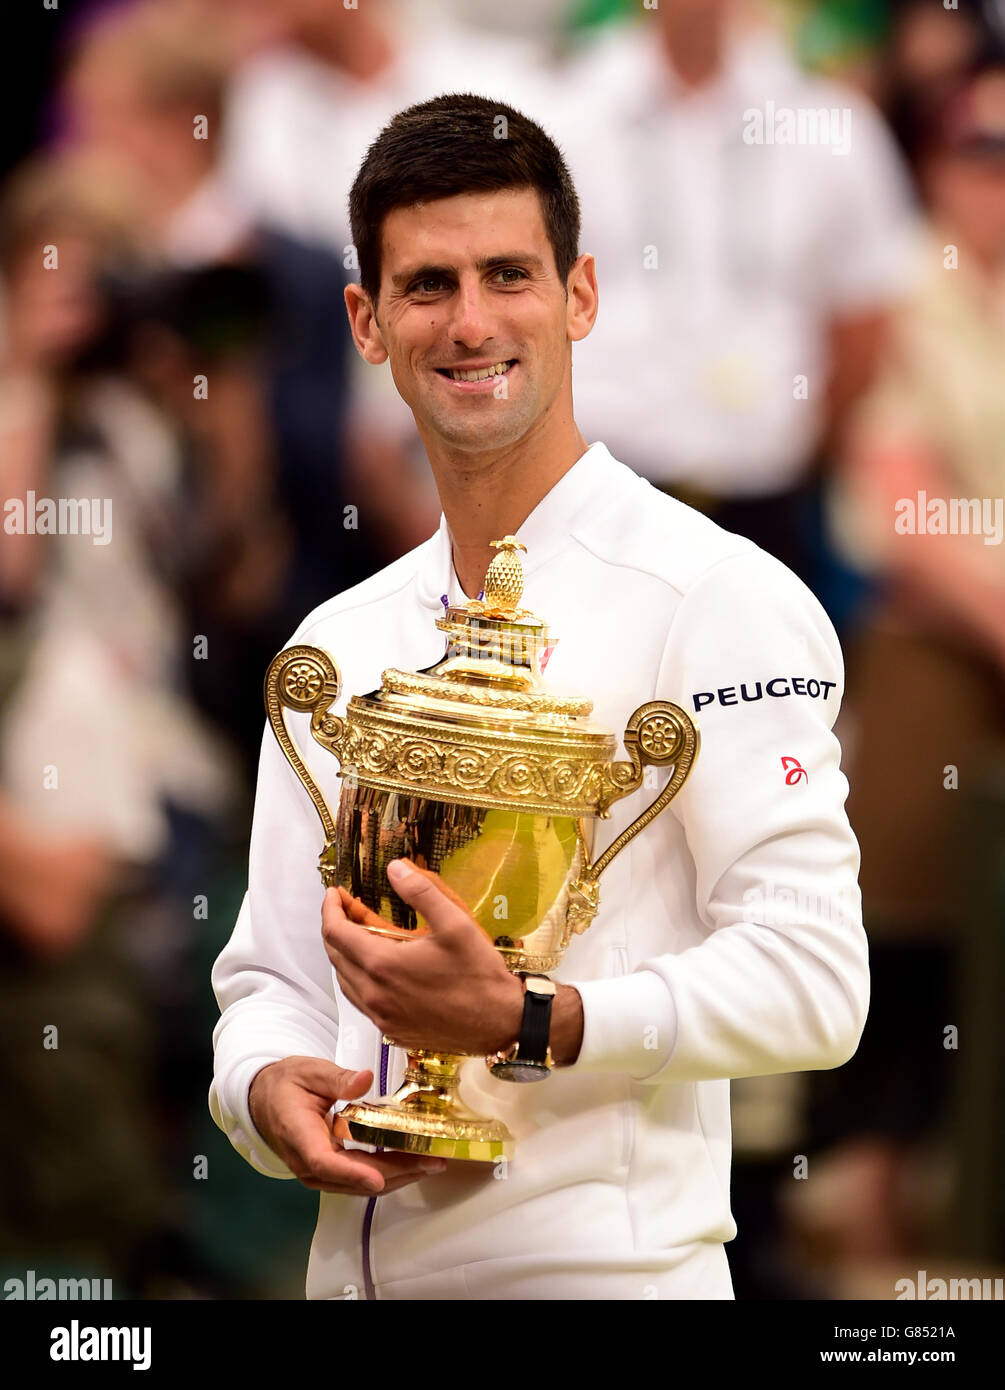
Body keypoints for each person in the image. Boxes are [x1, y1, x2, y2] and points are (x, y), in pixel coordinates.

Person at [209, 93, 870, 1301]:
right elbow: (268, 982)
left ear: (581, 296)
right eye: (426, 285)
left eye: (508, 273)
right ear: (365, 320)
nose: (470, 322)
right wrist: (263, 1089)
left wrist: (531, 1018)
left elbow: (816, 980)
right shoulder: (337, 640)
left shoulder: (719, 596)